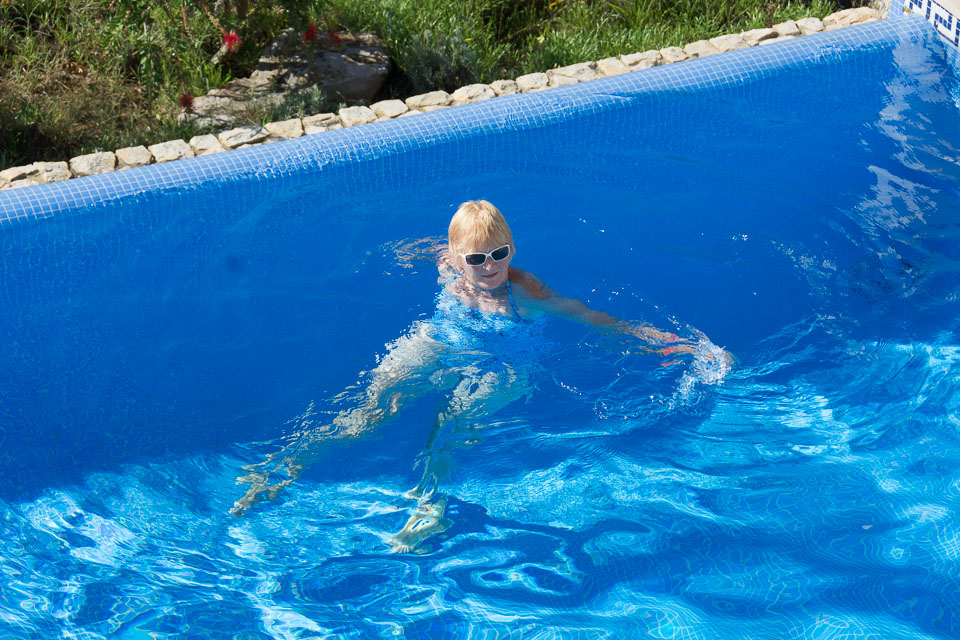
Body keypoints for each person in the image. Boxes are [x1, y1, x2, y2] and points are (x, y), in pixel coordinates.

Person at [231, 200, 724, 552]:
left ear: (512, 249)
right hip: (442, 339)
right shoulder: (448, 264)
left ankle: (430, 507)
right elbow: (427, 247)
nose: (489, 267)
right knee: (373, 406)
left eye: (500, 253)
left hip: (505, 362)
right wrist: (402, 252)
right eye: (476, 258)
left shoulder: (525, 290)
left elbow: (590, 316)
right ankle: (283, 466)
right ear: (456, 257)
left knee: (450, 423)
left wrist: (662, 340)